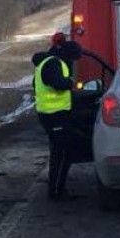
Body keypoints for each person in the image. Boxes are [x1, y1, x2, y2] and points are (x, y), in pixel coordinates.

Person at [32, 32, 83, 200]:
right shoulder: (54, 64)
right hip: (54, 115)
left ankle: (57, 190)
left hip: (49, 114)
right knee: (62, 153)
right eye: (75, 59)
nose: (74, 62)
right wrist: (70, 82)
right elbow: (58, 84)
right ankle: (56, 192)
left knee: (60, 152)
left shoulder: (45, 62)